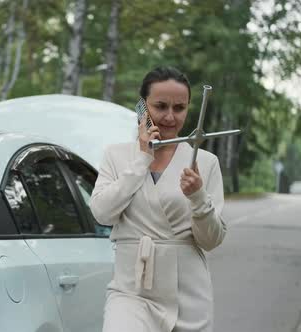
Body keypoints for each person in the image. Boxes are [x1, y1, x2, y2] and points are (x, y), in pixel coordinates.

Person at [89, 66, 227, 332]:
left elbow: (211, 240)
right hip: (131, 290)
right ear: (142, 108)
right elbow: (102, 213)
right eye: (160, 106)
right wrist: (142, 158)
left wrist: (198, 197)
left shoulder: (206, 163)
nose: (170, 117)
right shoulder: (116, 156)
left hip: (187, 294)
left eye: (179, 108)